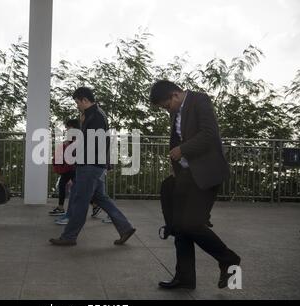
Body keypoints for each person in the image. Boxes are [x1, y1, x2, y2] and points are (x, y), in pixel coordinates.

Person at [150, 80, 240, 289]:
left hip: (206, 173)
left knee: (191, 224)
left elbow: (209, 135)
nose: (167, 110)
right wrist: (176, 162)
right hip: (185, 174)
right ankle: (185, 277)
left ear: (174, 95)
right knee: (179, 227)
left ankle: (228, 259)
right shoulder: (175, 111)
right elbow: (177, 138)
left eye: (166, 105)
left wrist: (183, 150)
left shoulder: (200, 100)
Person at [49, 87, 136, 246]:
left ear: (84, 100)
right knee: (101, 198)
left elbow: (95, 142)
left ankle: (69, 236)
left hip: (90, 165)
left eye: (77, 102)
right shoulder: (95, 115)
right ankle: (125, 228)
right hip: (95, 165)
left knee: (79, 200)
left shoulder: (95, 116)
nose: (77, 105)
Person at [49, 119, 80, 217]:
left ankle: (64, 210)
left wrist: (67, 144)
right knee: (64, 185)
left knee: (78, 189)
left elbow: (75, 149)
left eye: (67, 126)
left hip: (73, 165)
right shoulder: (75, 135)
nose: (66, 128)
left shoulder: (77, 135)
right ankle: (61, 207)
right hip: (70, 165)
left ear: (72, 126)